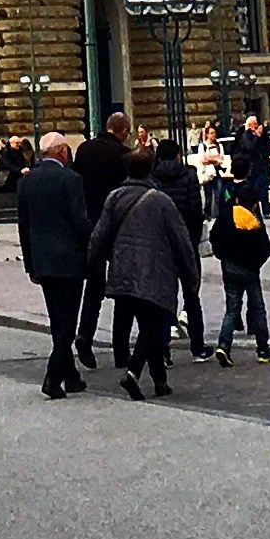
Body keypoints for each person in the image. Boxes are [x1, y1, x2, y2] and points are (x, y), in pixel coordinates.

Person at [88, 151, 201, 401]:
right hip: (155, 273)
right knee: (153, 326)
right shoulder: (161, 200)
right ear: (150, 169)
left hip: (123, 271)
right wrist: (191, 275)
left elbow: (99, 236)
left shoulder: (114, 197)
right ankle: (133, 372)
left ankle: (160, 381)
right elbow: (181, 240)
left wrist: (96, 264)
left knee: (148, 324)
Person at [16, 132, 90, 399]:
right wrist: (93, 248)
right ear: (61, 152)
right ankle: (53, 376)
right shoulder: (70, 180)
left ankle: (71, 376)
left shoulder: (27, 182)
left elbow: (23, 227)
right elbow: (79, 220)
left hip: (43, 262)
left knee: (58, 320)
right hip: (69, 261)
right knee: (68, 323)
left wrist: (30, 264)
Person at [71, 109, 133, 368]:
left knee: (94, 287)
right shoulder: (122, 156)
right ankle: (121, 349)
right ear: (123, 131)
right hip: (115, 227)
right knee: (123, 288)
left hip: (88, 225)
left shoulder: (84, 149)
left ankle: (85, 334)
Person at [150, 136, 210, 358]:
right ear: (177, 155)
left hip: (161, 244)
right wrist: (192, 239)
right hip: (185, 242)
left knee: (164, 297)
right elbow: (195, 210)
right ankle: (198, 347)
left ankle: (164, 351)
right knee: (192, 295)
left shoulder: (152, 178)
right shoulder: (189, 175)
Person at [208, 187, 270, 364]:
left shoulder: (226, 215)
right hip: (250, 270)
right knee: (258, 308)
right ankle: (263, 350)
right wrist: (255, 264)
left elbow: (214, 236)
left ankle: (223, 345)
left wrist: (221, 255)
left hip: (229, 267)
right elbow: (266, 249)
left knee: (232, 309)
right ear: (254, 204)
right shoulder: (254, 222)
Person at [230, 111, 270, 214]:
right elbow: (249, 147)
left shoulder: (262, 133)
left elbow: (268, 147)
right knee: (252, 189)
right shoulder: (245, 134)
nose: (256, 126)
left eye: (257, 123)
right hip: (251, 168)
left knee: (263, 189)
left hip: (261, 166)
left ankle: (265, 209)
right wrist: (257, 136)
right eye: (254, 124)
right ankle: (253, 209)